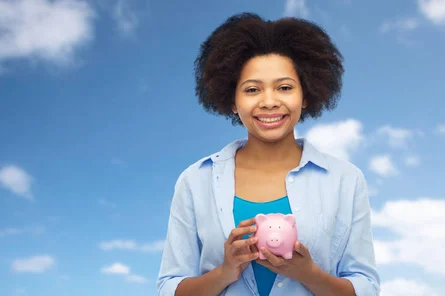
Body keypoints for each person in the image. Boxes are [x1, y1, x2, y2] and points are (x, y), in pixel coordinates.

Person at [157, 12, 381, 296]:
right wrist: (224, 273)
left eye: (284, 87)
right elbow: (170, 287)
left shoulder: (346, 180)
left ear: (306, 94)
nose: (269, 102)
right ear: (233, 101)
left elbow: (366, 287)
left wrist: (309, 274)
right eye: (252, 90)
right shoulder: (194, 181)